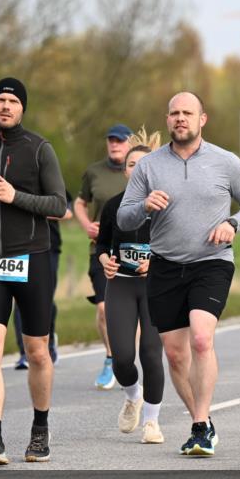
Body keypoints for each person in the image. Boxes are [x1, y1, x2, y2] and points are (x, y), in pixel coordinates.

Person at [118, 92, 240, 456]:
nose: (180, 118)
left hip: (211, 262)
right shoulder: (150, 166)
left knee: (201, 339)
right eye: (174, 113)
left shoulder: (225, 162)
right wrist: (143, 206)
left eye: (187, 113)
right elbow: (124, 217)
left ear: (203, 119)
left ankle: (199, 426)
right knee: (176, 355)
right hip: (165, 266)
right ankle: (204, 422)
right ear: (167, 120)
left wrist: (232, 223)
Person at [0, 77, 67, 465]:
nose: (5, 106)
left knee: (37, 351)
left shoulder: (39, 149)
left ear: (22, 108)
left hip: (33, 259)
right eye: (0, 100)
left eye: (12, 101)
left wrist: (14, 196)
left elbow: (59, 205)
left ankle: (40, 429)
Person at [98, 130, 165, 444]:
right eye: (131, 164)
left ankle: (152, 422)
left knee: (151, 353)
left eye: (143, 163)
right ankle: (133, 395)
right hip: (121, 285)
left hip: (155, 287)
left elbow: (178, 244)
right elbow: (101, 244)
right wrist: (104, 261)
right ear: (125, 171)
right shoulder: (113, 206)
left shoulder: (164, 202)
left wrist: (155, 260)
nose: (136, 169)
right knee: (123, 358)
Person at [76, 123, 132, 390]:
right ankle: (111, 358)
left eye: (120, 141)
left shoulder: (139, 170)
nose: (114, 145)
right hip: (101, 250)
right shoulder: (93, 171)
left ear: (129, 144)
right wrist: (86, 224)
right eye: (111, 140)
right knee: (103, 308)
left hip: (134, 251)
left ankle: (129, 358)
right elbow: (79, 202)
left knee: (134, 311)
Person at [14, 190, 71, 369]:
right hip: (17, 249)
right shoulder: (12, 182)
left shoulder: (50, 180)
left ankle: (50, 343)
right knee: (20, 301)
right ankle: (24, 353)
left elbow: (67, 212)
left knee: (44, 299)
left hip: (48, 248)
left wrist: (32, 207)